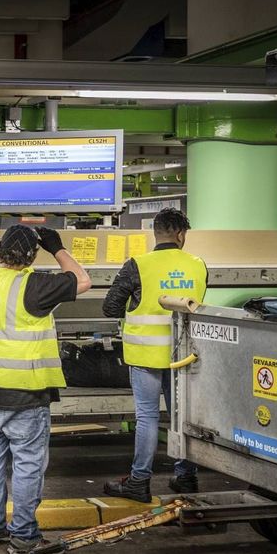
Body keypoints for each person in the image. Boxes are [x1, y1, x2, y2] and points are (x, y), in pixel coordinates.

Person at [0, 225, 91, 554]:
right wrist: (57, 248)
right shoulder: (33, 284)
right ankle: (24, 538)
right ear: (33, 255)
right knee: (28, 464)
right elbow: (83, 280)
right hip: (26, 394)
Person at [102, 208, 207, 503]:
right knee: (181, 416)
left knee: (147, 417)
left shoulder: (138, 264)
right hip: (183, 357)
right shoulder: (198, 265)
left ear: (155, 233)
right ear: (181, 235)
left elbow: (110, 307)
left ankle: (139, 481)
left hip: (146, 356)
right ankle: (186, 477)